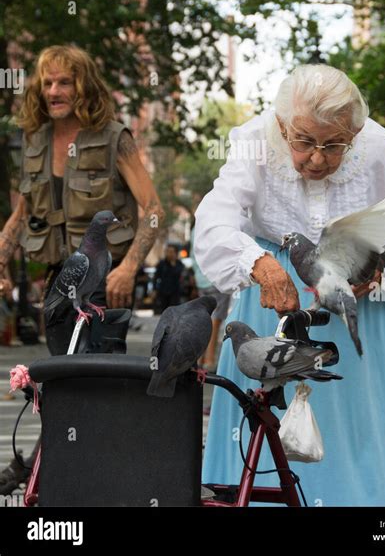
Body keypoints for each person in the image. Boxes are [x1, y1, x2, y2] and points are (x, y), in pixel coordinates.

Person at [194, 64, 385, 507]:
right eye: (303, 141)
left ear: (355, 134)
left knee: (361, 445)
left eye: (335, 144)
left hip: (364, 313)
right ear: (282, 125)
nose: (318, 158)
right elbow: (214, 218)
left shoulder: (378, 144)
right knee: (267, 442)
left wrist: (378, 266)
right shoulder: (253, 139)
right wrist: (260, 263)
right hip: (273, 304)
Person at [0, 44, 164, 494]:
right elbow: (22, 214)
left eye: (65, 82)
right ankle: (48, 477)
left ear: (83, 86)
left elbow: (152, 209)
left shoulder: (115, 137)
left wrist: (129, 268)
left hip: (101, 286)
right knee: (64, 385)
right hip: (58, 286)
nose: (55, 90)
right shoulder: (33, 141)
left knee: (94, 390)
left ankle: (54, 477)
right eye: (48, 82)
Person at [190, 226, 230, 371]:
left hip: (201, 278)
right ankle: (210, 359)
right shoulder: (218, 224)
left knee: (205, 317)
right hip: (217, 279)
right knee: (216, 319)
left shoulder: (196, 229)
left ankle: (200, 357)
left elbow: (193, 254)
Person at [152, 244, 184, 313]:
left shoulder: (179, 264)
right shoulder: (161, 264)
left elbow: (180, 276)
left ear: (176, 253)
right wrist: (154, 289)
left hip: (175, 292)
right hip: (163, 291)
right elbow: (156, 277)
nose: (169, 254)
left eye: (171, 252)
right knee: (164, 311)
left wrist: (173, 265)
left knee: (174, 311)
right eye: (168, 251)